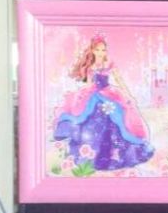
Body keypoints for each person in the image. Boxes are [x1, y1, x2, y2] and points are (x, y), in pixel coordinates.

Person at [53, 35, 154, 172]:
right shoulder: (90, 67)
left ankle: (116, 154)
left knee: (118, 117)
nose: (101, 53)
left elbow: (119, 80)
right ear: (92, 50)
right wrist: (81, 94)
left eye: (103, 50)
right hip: (94, 95)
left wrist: (128, 95)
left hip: (109, 94)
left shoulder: (109, 64)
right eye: (98, 50)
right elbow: (89, 84)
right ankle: (92, 155)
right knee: (87, 117)